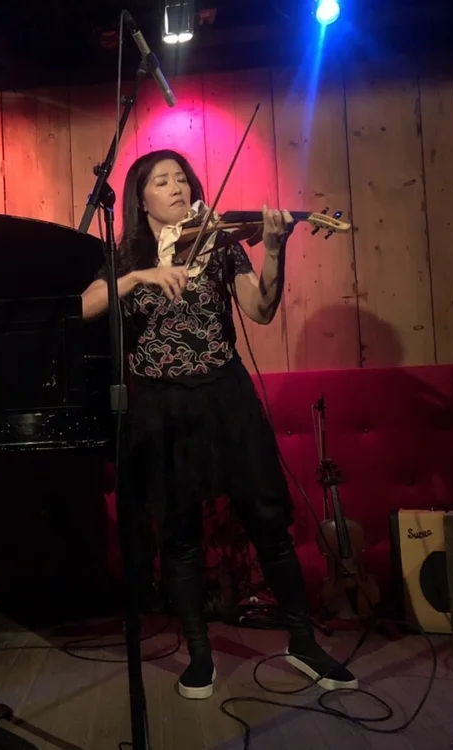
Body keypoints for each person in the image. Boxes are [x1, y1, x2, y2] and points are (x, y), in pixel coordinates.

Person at [81, 149, 357, 700]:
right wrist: (138, 278)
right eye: (162, 181)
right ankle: (200, 654)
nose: (177, 187)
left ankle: (303, 643)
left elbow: (260, 309)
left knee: (267, 521)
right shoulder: (124, 255)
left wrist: (273, 250)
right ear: (141, 199)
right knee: (179, 535)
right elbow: (83, 306)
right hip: (159, 406)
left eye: (181, 179)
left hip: (224, 396)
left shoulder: (221, 242)